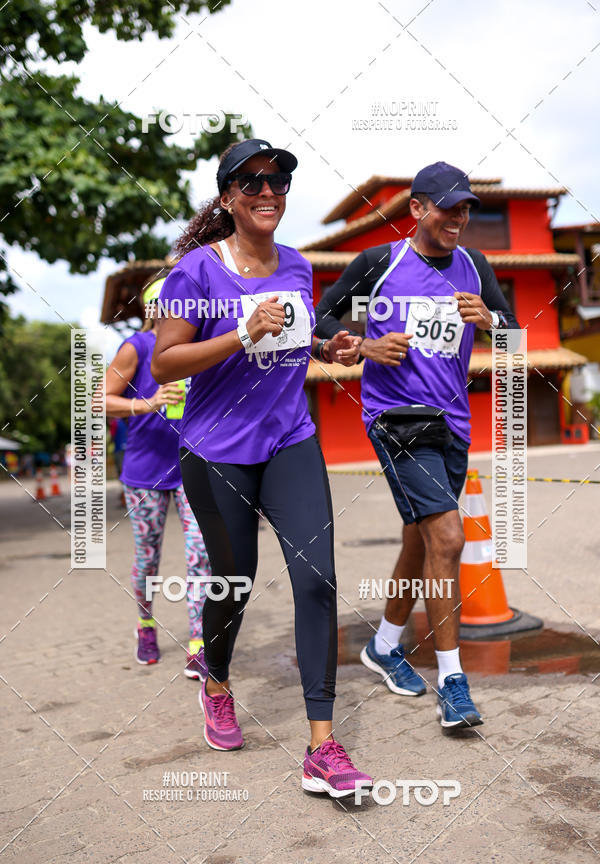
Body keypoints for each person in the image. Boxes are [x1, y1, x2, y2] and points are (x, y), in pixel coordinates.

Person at [151, 138, 372, 797]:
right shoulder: (195, 272)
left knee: (317, 580)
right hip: (216, 450)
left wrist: (330, 344)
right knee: (235, 579)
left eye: (278, 181)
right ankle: (216, 678)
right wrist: (240, 334)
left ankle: (322, 747)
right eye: (251, 183)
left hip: (290, 439)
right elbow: (165, 364)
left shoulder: (300, 267)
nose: (268, 191)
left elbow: (293, 347)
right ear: (228, 198)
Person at [315, 161, 519, 729]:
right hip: (397, 419)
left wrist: (493, 323)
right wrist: (363, 348)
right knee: (449, 536)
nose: (458, 217)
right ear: (417, 209)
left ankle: (383, 646)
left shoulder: (475, 267)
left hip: (453, 423)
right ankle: (453, 682)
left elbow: (514, 334)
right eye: (448, 206)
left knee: (420, 539)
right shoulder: (381, 262)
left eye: (465, 208)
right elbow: (321, 319)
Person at [105, 279, 211, 679]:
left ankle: (200, 642)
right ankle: (146, 626)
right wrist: (146, 403)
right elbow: (102, 398)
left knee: (201, 553)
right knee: (148, 557)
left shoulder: (196, 347)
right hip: (145, 471)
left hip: (192, 465)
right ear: (154, 310)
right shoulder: (137, 346)